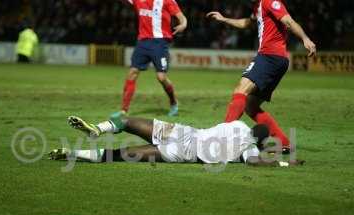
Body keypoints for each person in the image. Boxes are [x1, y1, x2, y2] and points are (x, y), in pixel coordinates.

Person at [207, 0, 316, 153]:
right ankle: (285, 143)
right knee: (250, 106)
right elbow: (246, 23)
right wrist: (224, 19)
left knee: (240, 91)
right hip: (277, 59)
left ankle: (222, 139)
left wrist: (305, 38)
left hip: (270, 56)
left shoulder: (269, 1)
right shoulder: (257, 6)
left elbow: (288, 21)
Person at [49, 115, 302, 167]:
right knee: (123, 154)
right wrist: (284, 163)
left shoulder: (236, 124)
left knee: (125, 120)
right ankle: (75, 154)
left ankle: (97, 129)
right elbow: (256, 163)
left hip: (183, 132)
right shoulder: (248, 149)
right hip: (184, 154)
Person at [116, 0, 188, 116]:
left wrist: (183, 24)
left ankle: (173, 103)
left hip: (159, 43)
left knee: (161, 77)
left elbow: (181, 17)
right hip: (143, 42)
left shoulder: (167, 1)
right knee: (132, 72)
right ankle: (123, 110)